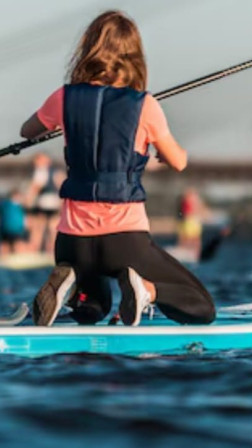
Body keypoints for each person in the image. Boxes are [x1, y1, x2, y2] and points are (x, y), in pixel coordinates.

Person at [19, 10, 216, 327]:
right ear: (134, 56)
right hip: (125, 242)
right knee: (202, 307)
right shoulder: (145, 105)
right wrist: (165, 153)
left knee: (94, 308)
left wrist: (63, 119)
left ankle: (71, 289)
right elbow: (178, 161)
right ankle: (145, 290)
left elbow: (27, 131)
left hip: (71, 243)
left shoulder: (63, 97)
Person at [25, 153, 65, 254]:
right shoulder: (56, 172)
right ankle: (51, 251)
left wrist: (27, 202)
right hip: (54, 203)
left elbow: (35, 188)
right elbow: (62, 186)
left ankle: (35, 250)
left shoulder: (40, 172)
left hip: (44, 203)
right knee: (52, 228)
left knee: (38, 228)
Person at [0, 188, 28, 255]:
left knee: (5, 244)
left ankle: (3, 256)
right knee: (16, 244)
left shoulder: (3, 205)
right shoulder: (19, 206)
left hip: (4, 229)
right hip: (15, 230)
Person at [177, 187, 205, 254]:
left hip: (192, 220)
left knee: (193, 238)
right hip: (189, 220)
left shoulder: (194, 200)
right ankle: (187, 250)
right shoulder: (186, 201)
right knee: (186, 237)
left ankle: (195, 252)